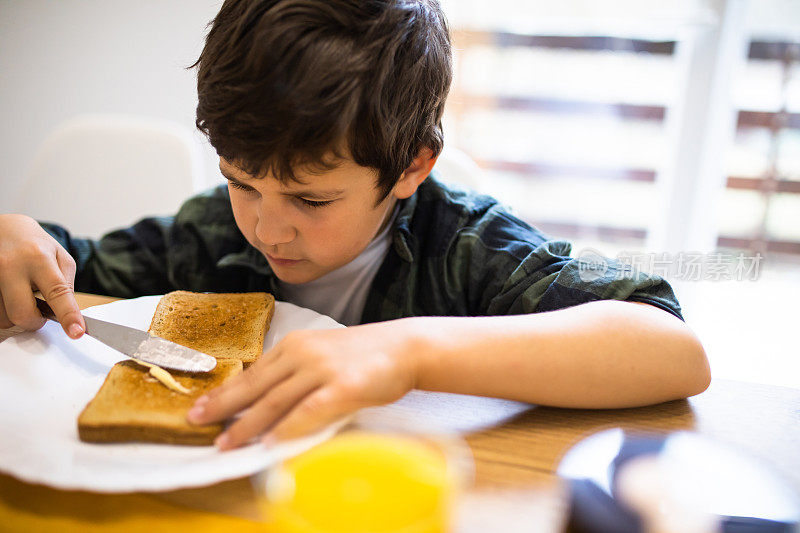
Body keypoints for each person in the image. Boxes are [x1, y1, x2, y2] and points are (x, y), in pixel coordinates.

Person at [0, 0, 709, 450]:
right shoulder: (210, 233)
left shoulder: (464, 246)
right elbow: (65, 271)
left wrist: (406, 352)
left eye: (310, 200)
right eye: (240, 179)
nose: (266, 230)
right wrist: (21, 244)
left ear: (410, 167)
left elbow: (669, 344)